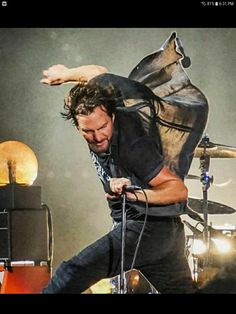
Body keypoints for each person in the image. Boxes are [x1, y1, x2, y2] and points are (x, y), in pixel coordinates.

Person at [40, 33, 208, 294]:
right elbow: (98, 72)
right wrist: (67, 73)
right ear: (76, 124)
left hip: (145, 230)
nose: (98, 137)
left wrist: (134, 193)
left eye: (102, 127)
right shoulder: (104, 97)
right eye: (88, 131)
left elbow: (178, 190)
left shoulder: (132, 145)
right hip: (166, 234)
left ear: (113, 117)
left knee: (71, 272)